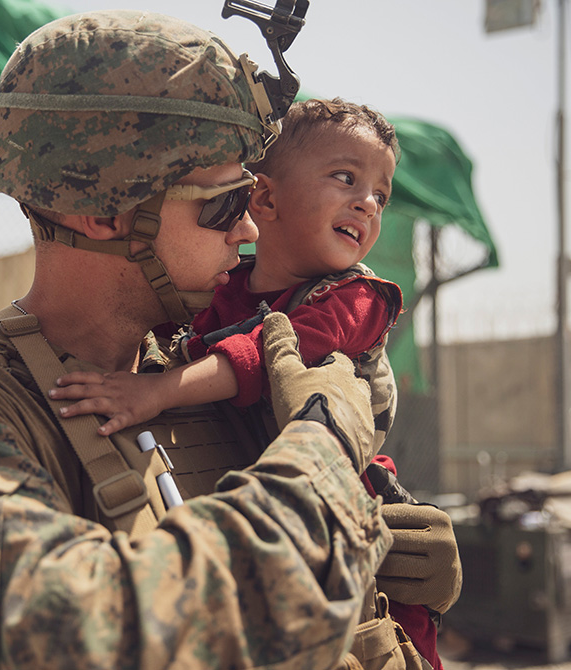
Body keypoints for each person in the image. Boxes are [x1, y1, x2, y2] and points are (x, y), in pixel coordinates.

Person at [0, 10, 398, 670]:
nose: (249, 230)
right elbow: (58, 640)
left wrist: (373, 558)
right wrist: (326, 449)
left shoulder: (200, 371)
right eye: (223, 206)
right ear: (105, 213)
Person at [51, 97, 461, 668]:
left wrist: (156, 391)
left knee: (390, 625)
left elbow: (265, 354)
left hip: (353, 494)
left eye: (381, 196)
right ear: (264, 198)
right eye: (346, 178)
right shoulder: (222, 289)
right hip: (247, 477)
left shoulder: (358, 298)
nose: (367, 203)